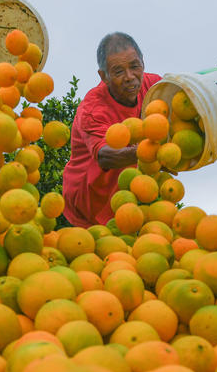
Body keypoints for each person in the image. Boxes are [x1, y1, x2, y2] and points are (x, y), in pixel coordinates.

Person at [62, 32, 161, 228]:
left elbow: (182, 94)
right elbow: (106, 156)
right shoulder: (92, 109)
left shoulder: (153, 87)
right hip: (87, 207)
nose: (130, 77)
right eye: (118, 71)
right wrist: (155, 152)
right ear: (103, 76)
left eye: (134, 66)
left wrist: (212, 82)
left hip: (129, 200)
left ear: (143, 63)